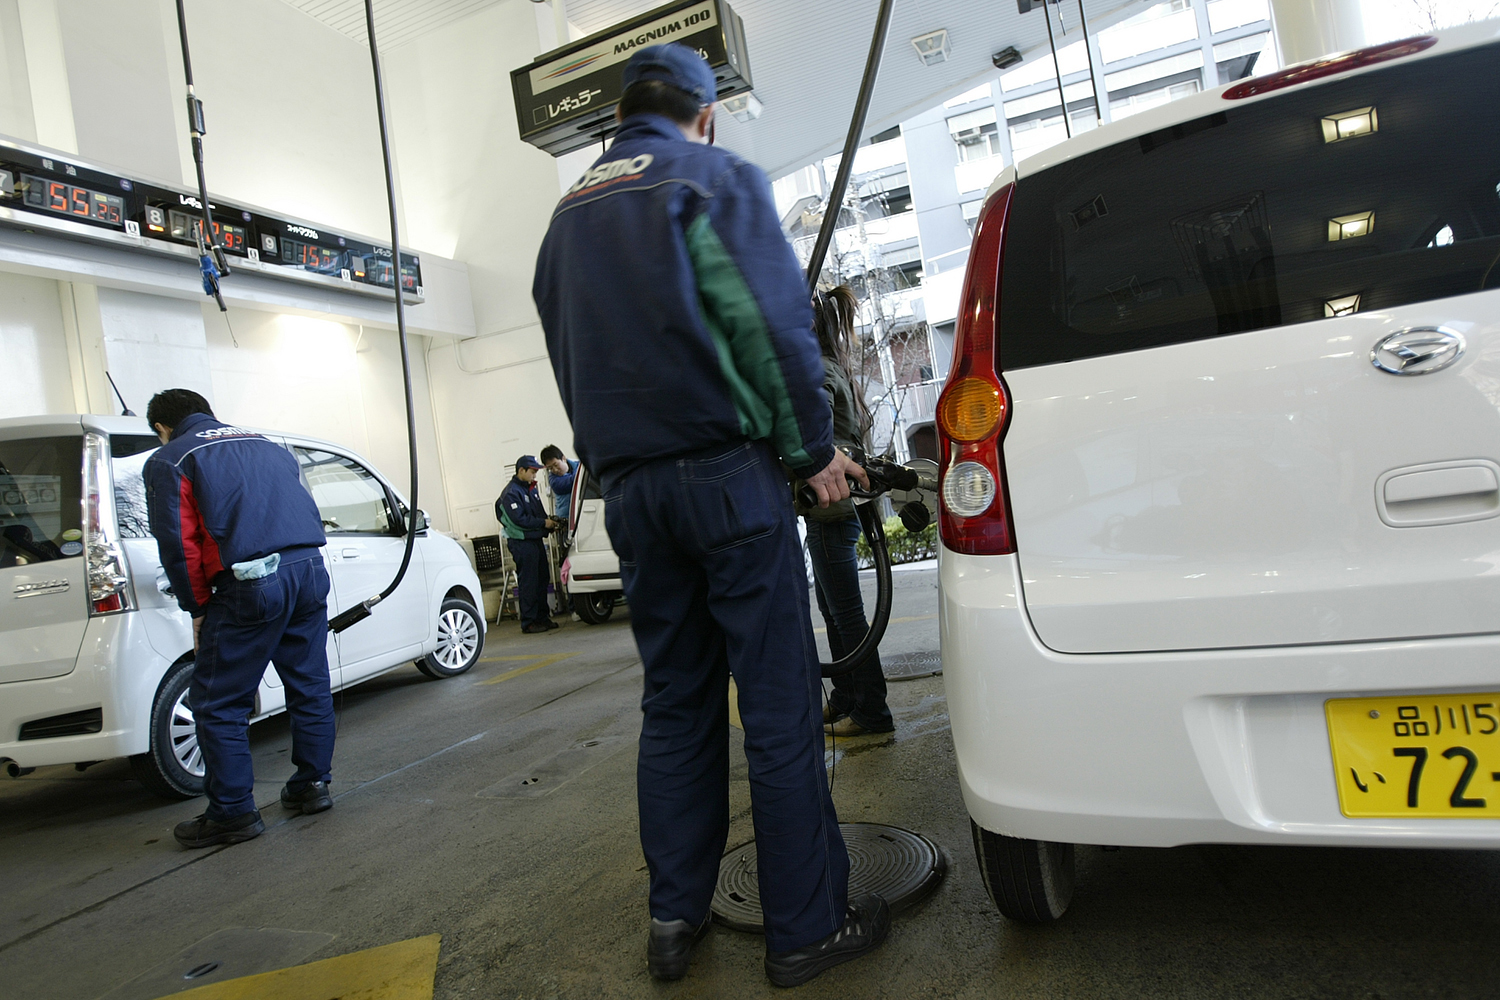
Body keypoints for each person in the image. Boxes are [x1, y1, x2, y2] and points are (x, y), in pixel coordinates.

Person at [533, 43, 889, 988]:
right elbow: (771, 330)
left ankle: (672, 919)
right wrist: (813, 456)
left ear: (620, 116)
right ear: (708, 112)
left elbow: (568, 354)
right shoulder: (711, 177)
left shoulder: (564, 218)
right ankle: (807, 928)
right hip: (725, 478)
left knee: (676, 706)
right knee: (776, 711)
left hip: (631, 495)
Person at [143, 389, 335, 849]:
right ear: (207, 412)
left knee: (217, 702)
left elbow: (179, 542)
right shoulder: (269, 445)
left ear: (161, 428)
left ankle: (232, 813)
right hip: (309, 571)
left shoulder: (172, 459)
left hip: (251, 584)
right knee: (309, 685)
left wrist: (198, 607)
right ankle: (312, 785)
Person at [797, 286, 894, 738]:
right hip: (829, 511)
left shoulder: (816, 371)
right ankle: (846, 697)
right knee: (833, 609)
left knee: (847, 614)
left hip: (832, 511)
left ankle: (871, 711)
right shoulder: (828, 366)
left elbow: (807, 435)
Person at [496, 455, 559, 633]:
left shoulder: (531, 489)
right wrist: (542, 524)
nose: (534, 475)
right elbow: (520, 520)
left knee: (542, 579)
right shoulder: (511, 493)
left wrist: (549, 524)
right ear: (521, 471)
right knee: (529, 582)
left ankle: (542, 617)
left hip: (535, 540)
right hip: (521, 542)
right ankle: (529, 622)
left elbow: (538, 513)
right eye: (532, 472)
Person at [540, 444, 579, 526]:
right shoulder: (554, 480)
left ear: (563, 458)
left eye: (556, 465)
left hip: (581, 515)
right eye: (550, 468)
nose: (555, 470)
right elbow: (575, 481)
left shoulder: (578, 466)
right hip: (566, 521)